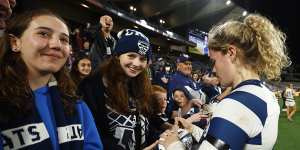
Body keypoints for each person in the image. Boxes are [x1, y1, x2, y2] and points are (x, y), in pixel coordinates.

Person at [159, 13, 290, 150]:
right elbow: (228, 142)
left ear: (231, 53)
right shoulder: (265, 94)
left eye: (214, 61)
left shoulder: (237, 104)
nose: (214, 69)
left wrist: (172, 144)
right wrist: (192, 128)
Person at [0, 9, 103, 149]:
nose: (57, 45)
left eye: (64, 39)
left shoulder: (77, 105)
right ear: (15, 43)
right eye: (43, 34)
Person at [79, 29, 157, 150]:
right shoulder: (93, 85)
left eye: (142, 59)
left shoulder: (141, 84)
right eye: (131, 56)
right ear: (117, 56)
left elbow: (146, 121)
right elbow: (93, 133)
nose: (136, 63)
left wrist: (161, 137)